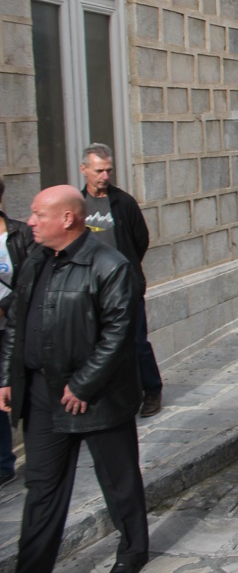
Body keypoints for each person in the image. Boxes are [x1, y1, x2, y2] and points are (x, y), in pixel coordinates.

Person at [0, 186, 149, 573]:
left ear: (67, 219)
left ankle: (133, 552)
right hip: (41, 395)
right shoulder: (35, 259)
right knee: (42, 487)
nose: (30, 222)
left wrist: (84, 384)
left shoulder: (109, 264)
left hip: (98, 397)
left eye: (38, 214)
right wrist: (7, 377)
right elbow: (16, 322)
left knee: (118, 481)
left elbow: (118, 333)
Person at [78, 144, 163, 418]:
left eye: (109, 170)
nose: (104, 176)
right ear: (84, 170)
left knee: (136, 342)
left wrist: (126, 270)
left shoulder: (123, 202)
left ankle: (152, 390)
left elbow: (140, 240)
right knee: (100, 344)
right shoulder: (78, 204)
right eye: (99, 171)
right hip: (91, 289)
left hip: (124, 286)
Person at [0, 175, 32, 488]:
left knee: (16, 388)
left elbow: (29, 282)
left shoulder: (20, 233)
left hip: (13, 327)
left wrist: (4, 307)